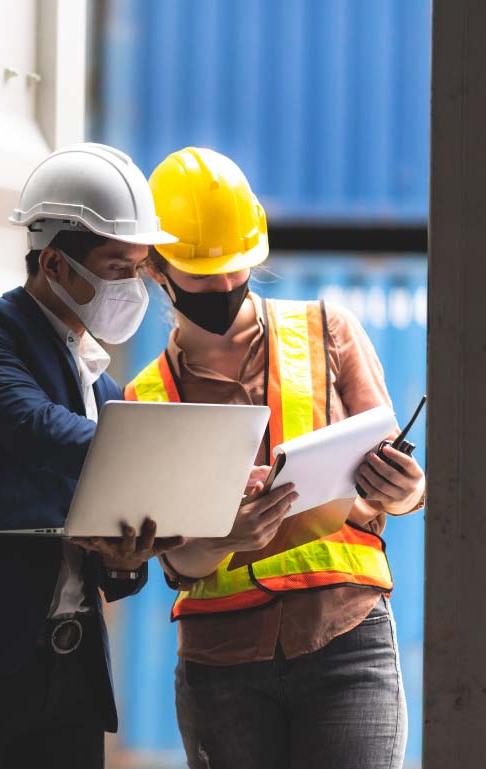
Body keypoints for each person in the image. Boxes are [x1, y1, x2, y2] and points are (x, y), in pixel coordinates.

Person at [0, 143, 188, 769]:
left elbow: (104, 542)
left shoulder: (104, 392)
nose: (132, 285)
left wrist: (128, 557)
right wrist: (171, 457)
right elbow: (37, 429)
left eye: (139, 267)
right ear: (55, 263)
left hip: (69, 676)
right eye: (116, 265)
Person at [124, 147, 426, 769]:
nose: (226, 287)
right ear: (157, 269)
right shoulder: (147, 398)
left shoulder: (328, 331)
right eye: (204, 274)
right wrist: (227, 537)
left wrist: (406, 490)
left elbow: (392, 478)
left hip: (345, 638)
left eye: (237, 268)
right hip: (222, 665)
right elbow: (177, 562)